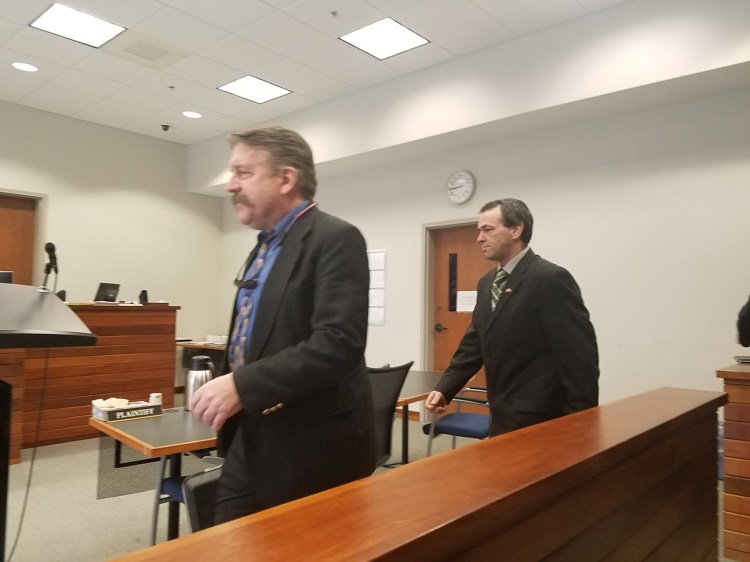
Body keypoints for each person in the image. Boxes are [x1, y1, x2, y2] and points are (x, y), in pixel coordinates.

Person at [190, 126, 376, 524]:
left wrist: (243, 384)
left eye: (243, 172)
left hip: (313, 446)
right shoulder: (264, 246)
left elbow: (338, 342)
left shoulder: (335, 238)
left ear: (286, 178)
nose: (230, 185)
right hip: (252, 433)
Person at [425, 198, 599, 436]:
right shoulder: (486, 284)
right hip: (501, 412)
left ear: (516, 229)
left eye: (488, 229)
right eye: (479, 230)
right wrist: (446, 388)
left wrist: (580, 424)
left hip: (544, 418)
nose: (479, 238)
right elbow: (473, 344)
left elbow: (580, 361)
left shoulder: (550, 279)